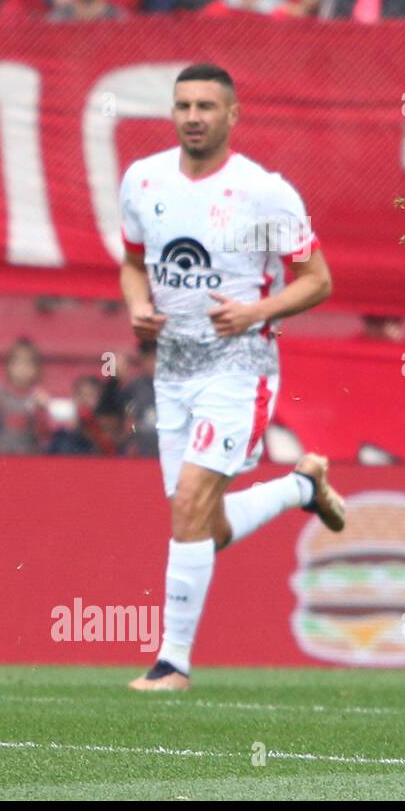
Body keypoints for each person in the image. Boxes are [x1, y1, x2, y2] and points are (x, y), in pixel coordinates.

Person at [119, 63, 345, 691]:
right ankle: (302, 489)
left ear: (232, 115)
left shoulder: (264, 193)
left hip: (239, 366)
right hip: (173, 370)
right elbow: (133, 263)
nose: (193, 116)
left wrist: (255, 311)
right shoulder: (143, 180)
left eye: (206, 107)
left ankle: (173, 664)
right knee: (201, 525)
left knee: (190, 506)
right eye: (183, 105)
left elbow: (318, 281)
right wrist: (136, 306)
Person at [0, 338, 54, 454]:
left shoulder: (38, 398)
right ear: (8, 366)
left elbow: (45, 434)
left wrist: (41, 410)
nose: (22, 369)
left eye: (28, 363)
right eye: (17, 362)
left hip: (28, 459)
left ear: (36, 369)